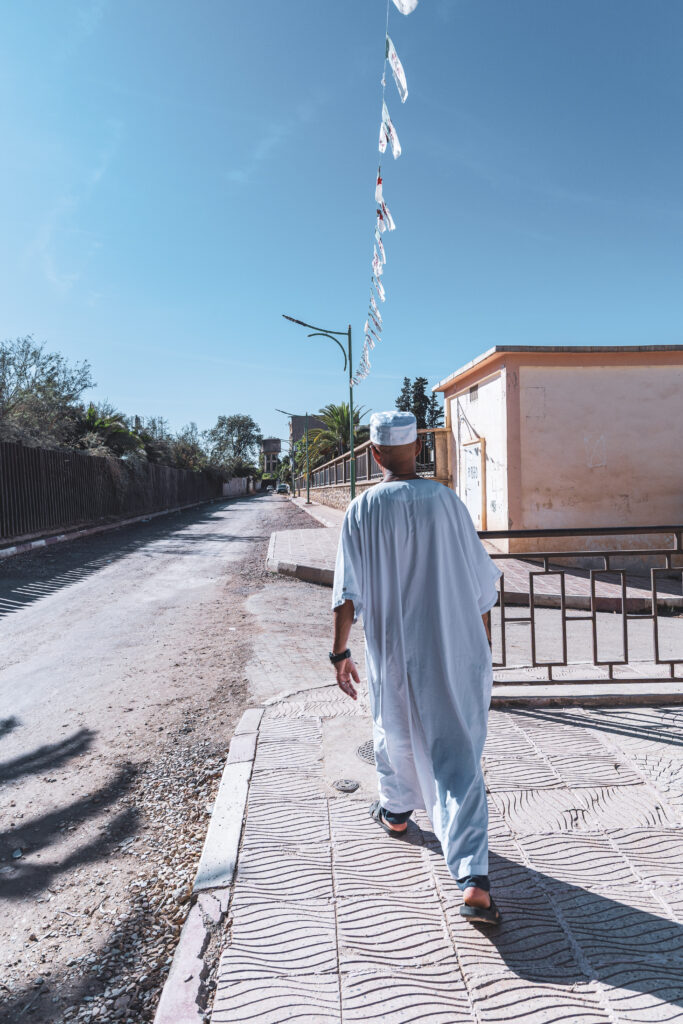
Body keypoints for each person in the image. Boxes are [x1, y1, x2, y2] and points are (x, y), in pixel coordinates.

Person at [330, 410, 502, 925]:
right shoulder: (447, 502)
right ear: (417, 450)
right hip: (451, 645)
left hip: (391, 648)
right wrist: (482, 644)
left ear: (375, 454)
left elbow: (346, 596)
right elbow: (481, 584)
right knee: (455, 748)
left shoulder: (360, 511)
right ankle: (456, 861)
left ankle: (413, 825)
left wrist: (340, 653)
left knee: (393, 727)